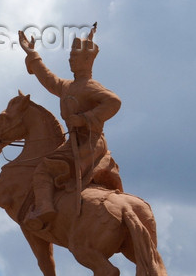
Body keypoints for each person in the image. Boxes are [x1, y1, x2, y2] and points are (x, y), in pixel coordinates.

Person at [18, 25, 123, 230]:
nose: (70, 59)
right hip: (73, 143)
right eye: (70, 56)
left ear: (86, 60)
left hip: (90, 143)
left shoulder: (91, 86)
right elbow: (47, 78)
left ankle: (44, 208)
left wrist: (85, 119)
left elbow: (114, 102)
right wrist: (31, 52)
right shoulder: (67, 86)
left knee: (44, 169)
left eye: (75, 56)